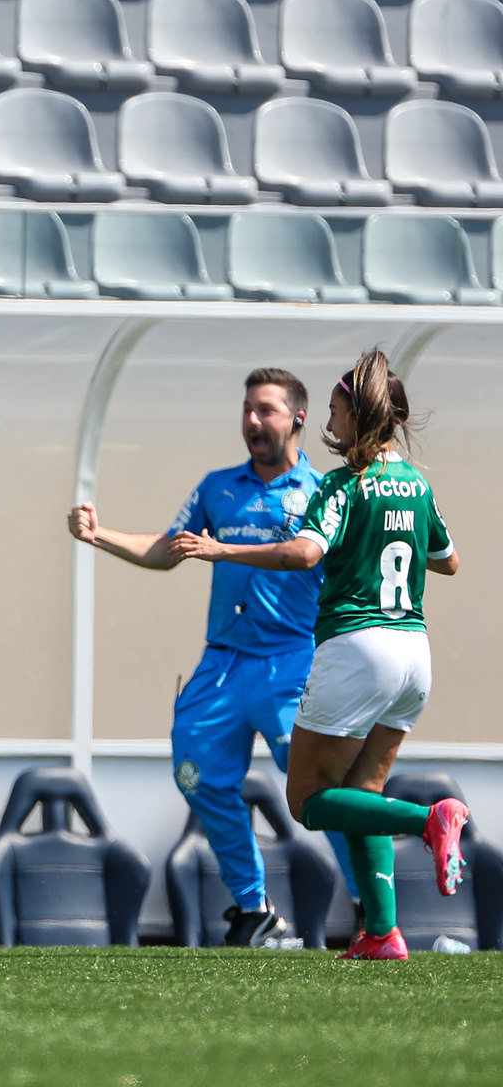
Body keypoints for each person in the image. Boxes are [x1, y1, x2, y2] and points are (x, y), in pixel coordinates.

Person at [170, 350, 467, 961]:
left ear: (358, 417)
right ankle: (382, 933)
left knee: (306, 800)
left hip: (358, 649)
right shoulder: (416, 484)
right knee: (365, 791)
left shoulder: (341, 484)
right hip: (415, 653)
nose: (330, 424)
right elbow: (448, 560)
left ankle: (429, 820)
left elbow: (304, 555)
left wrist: (224, 552)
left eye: (335, 412)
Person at [67, 368, 356, 948]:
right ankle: (254, 906)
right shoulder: (218, 486)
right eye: (248, 409)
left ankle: (372, 904)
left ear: (298, 418)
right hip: (222, 665)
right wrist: (98, 536)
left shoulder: (323, 491)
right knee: (192, 774)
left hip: (292, 665)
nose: (252, 420)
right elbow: (170, 550)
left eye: (266, 410)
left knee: (319, 793)